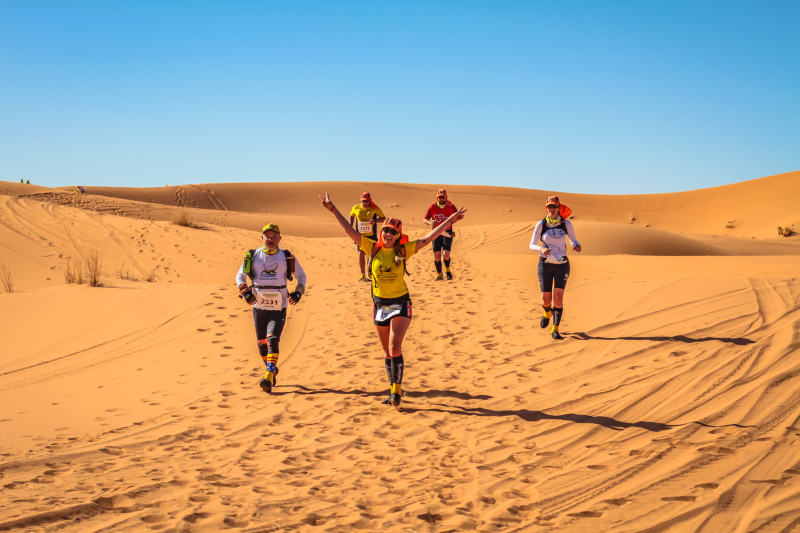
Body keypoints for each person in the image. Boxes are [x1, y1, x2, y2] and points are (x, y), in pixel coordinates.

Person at [320, 192, 466, 406]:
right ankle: (393, 388)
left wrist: (449, 221)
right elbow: (349, 230)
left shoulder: (404, 250)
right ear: (382, 232)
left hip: (401, 303)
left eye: (393, 232)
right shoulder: (372, 248)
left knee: (395, 347)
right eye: (386, 230)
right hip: (380, 304)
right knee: (387, 352)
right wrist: (333, 210)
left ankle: (397, 392)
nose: (388, 234)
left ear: (398, 235)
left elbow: (429, 239)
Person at [236, 223, 307, 394]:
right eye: (267, 236)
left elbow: (301, 275)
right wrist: (245, 291)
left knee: (272, 339)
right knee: (261, 344)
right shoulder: (252, 256)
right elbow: (240, 275)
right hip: (258, 306)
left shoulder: (286, 256)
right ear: (262, 238)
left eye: (274, 236)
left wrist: (298, 292)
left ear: (279, 238)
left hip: (279, 306)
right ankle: (272, 369)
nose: (270, 239)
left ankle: (268, 374)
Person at [529, 196, 581, 340]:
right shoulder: (541, 224)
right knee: (546, 301)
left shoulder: (566, 224)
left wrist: (576, 245)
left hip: (562, 265)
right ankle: (547, 313)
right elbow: (531, 244)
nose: (552, 209)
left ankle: (555, 328)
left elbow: (573, 239)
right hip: (545, 265)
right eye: (549, 207)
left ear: (559, 208)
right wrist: (540, 249)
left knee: (558, 298)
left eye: (554, 207)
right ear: (546, 208)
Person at [349, 192, 386, 282]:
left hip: (371, 236)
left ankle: (369, 274)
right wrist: (350, 225)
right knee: (361, 254)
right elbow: (351, 215)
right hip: (360, 236)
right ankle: (362, 275)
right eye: (363, 201)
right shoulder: (356, 207)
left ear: (369, 200)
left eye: (366, 201)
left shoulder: (374, 208)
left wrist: (375, 220)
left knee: (370, 256)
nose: (364, 203)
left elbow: (383, 218)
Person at [423, 189, 459, 280]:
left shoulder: (450, 207)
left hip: (447, 233)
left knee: (446, 254)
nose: (441, 199)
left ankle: (447, 271)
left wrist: (453, 205)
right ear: (437, 198)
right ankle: (439, 274)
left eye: (443, 197)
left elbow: (458, 215)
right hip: (435, 233)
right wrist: (430, 223)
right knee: (437, 255)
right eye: (440, 197)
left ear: (446, 197)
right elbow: (425, 219)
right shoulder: (432, 207)